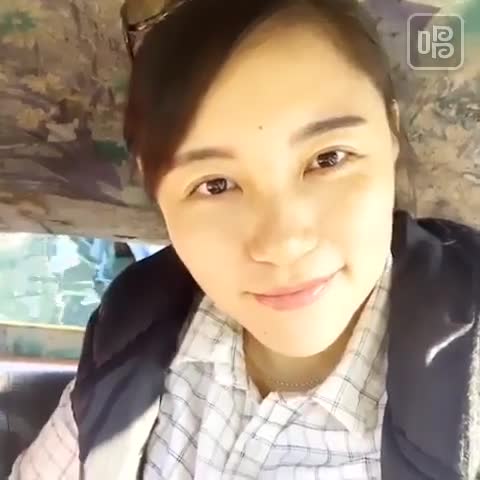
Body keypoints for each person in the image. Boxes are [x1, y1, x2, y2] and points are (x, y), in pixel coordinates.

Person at [10, 0, 480, 479]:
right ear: (154, 186)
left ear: (390, 133)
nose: (282, 245)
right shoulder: (131, 327)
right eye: (215, 185)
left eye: (329, 159)